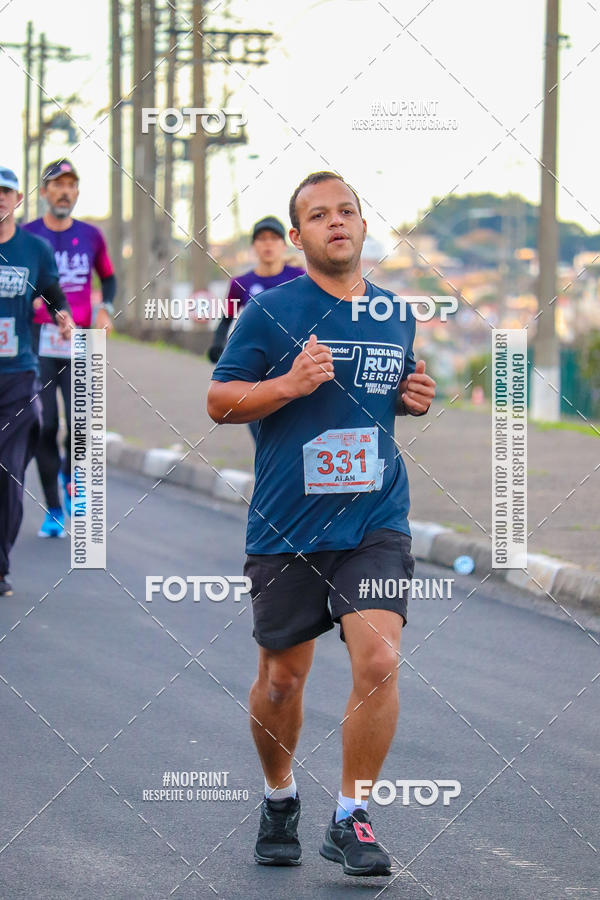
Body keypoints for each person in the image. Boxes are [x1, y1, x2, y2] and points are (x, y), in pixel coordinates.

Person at [207, 171, 436, 877]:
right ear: (298, 236)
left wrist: (413, 396)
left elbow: (391, 391)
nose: (335, 222)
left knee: (378, 660)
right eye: (318, 215)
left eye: (347, 211)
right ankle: (280, 797)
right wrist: (286, 386)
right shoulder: (270, 312)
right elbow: (219, 400)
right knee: (281, 681)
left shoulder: (396, 312)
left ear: (364, 228)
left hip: (374, 517)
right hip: (288, 525)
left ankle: (351, 818)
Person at [23, 159, 116, 537]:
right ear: (44, 192)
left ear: (77, 192)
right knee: (45, 425)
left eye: (71, 185)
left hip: (80, 341)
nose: (64, 191)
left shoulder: (92, 236)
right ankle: (55, 510)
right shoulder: (26, 236)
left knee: (81, 425)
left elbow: (108, 279)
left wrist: (105, 310)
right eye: (56, 185)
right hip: (39, 342)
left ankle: (71, 475)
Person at [0, 166, 73, 596]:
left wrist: (63, 318)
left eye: (6, 192)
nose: (0, 199)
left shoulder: (34, 249)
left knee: (8, 472)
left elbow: (52, 294)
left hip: (17, 376)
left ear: (17, 199)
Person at [208, 216, 304, 441]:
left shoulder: (299, 278)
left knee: (294, 434)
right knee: (262, 436)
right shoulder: (240, 283)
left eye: (273, 239)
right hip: (254, 370)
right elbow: (225, 320)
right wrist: (216, 345)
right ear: (254, 246)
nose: (267, 244)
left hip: (291, 367)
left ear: (283, 244)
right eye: (261, 239)